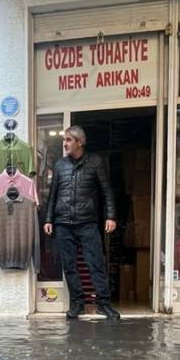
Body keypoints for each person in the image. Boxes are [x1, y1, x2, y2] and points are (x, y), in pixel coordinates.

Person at [42, 125, 119, 320]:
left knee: (96, 263)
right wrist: (49, 219)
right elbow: (53, 195)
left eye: (68, 140)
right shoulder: (60, 165)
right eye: (64, 140)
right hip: (62, 223)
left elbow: (107, 191)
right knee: (69, 265)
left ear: (79, 142)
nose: (65, 143)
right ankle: (78, 303)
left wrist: (110, 216)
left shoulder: (95, 162)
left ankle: (103, 303)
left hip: (88, 222)